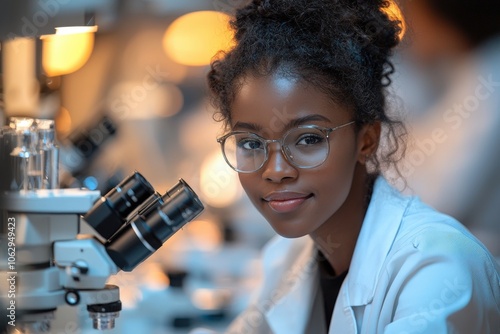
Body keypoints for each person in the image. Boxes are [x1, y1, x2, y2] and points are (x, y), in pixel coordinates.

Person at [206, 0, 500, 333]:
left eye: (308, 139)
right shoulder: (290, 258)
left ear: (367, 140)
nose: (275, 170)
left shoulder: (437, 267)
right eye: (251, 144)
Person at [390, 0, 500, 258]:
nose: (405, 26)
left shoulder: (491, 75)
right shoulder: (461, 68)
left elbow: (436, 200)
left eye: (412, 12)